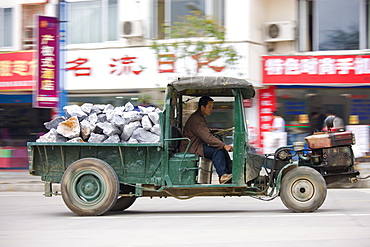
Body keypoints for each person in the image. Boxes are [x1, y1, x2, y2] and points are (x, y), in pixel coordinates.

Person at [179, 96, 233, 184]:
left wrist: (217, 131)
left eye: (212, 107)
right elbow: (207, 137)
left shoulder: (199, 117)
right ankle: (222, 175)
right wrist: (223, 145)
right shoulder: (196, 119)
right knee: (217, 151)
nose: (211, 109)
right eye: (209, 107)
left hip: (196, 146)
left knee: (221, 149)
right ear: (202, 107)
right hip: (192, 148)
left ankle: (229, 172)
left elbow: (204, 131)